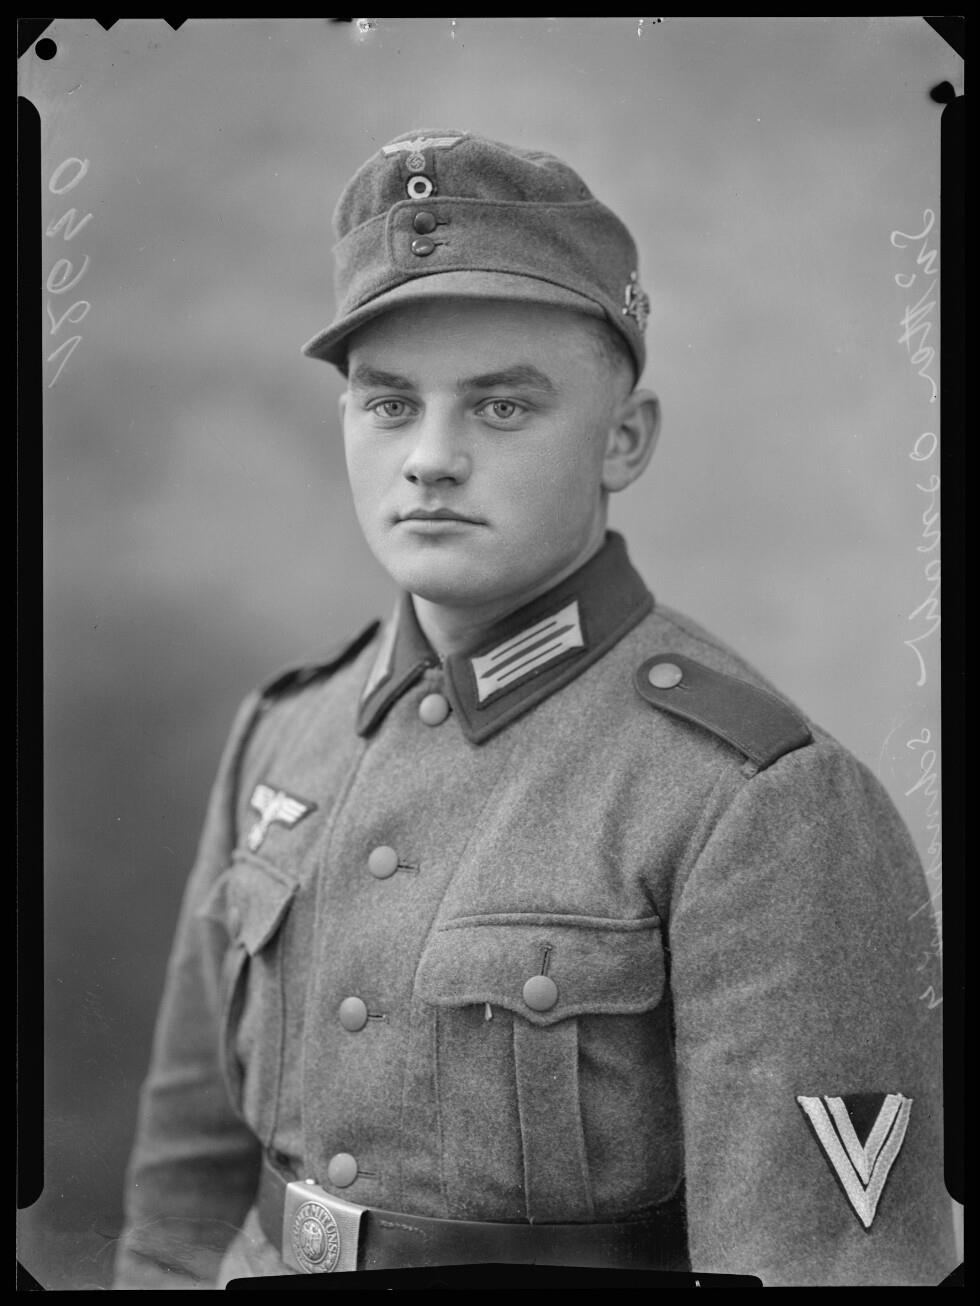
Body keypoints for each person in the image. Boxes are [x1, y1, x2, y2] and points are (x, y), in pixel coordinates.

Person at [113, 129, 954, 1288]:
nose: (429, 459)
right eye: (388, 403)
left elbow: (817, 1270)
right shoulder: (284, 732)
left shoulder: (760, 800)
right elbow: (180, 1195)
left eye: (501, 408)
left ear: (623, 439)